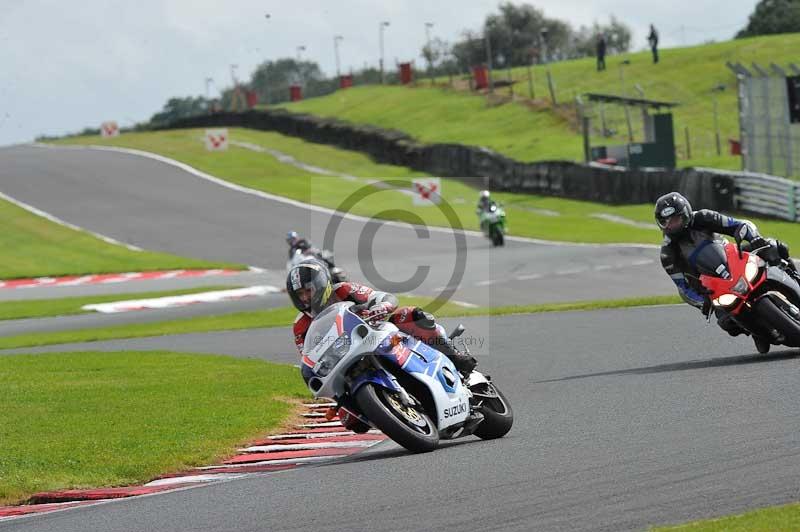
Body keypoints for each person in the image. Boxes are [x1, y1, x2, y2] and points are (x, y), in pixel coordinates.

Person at [288, 261, 478, 431]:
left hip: (378, 336)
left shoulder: (344, 290)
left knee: (411, 315)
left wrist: (381, 307)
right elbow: (309, 356)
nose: (305, 297)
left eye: (308, 290)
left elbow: (384, 297)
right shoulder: (300, 326)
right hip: (344, 359)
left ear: (321, 285)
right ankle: (391, 410)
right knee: (350, 421)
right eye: (300, 294)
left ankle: (453, 356)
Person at [655, 192, 795, 353]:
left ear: (685, 214)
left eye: (675, 219)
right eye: (666, 222)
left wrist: (754, 237)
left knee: (775, 247)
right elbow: (682, 287)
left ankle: (795, 277)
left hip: (734, 256)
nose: (671, 225)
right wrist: (702, 300)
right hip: (712, 285)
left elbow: (737, 225)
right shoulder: (667, 254)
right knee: (726, 322)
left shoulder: (704, 217)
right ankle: (756, 332)